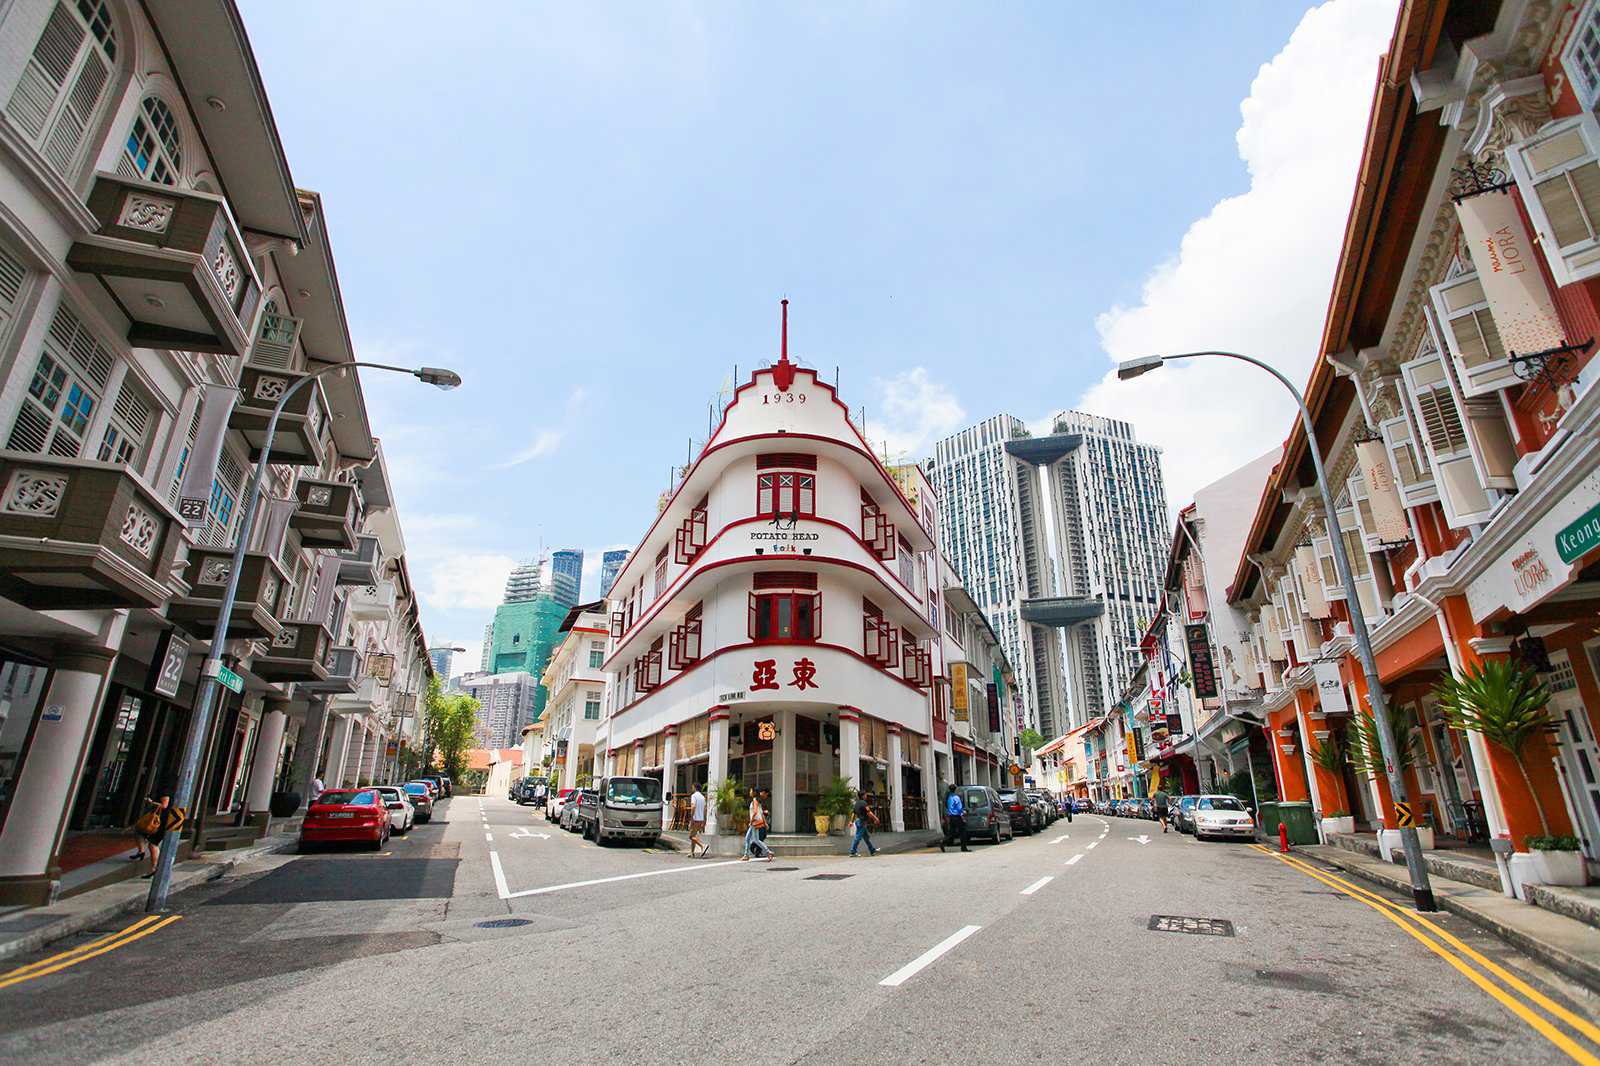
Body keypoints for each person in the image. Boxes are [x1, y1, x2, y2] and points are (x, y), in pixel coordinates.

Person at [139, 794, 182, 879]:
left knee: (153, 843)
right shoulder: (175, 792)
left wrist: (151, 802)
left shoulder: (166, 790)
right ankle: (156, 867)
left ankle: (155, 867)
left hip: (165, 820)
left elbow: (164, 805)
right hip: (172, 818)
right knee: (153, 841)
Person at [741, 791, 772, 861]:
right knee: (748, 838)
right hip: (755, 823)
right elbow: (761, 814)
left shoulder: (755, 800)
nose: (750, 792)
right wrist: (765, 824)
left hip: (754, 823)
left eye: (751, 791)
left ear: (754, 793)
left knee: (756, 840)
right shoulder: (758, 801)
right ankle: (746, 855)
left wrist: (751, 821)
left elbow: (755, 812)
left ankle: (768, 852)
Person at [940, 784, 970, 853]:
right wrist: (963, 813)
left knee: (951, 833)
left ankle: (943, 842)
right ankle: (963, 848)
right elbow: (959, 808)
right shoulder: (956, 797)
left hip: (951, 817)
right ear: (955, 790)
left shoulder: (949, 798)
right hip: (957, 816)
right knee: (963, 832)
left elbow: (948, 807)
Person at [850, 791, 879, 857]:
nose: (866, 796)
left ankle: (872, 850)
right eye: (865, 795)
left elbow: (853, 813)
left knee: (866, 837)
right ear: (863, 796)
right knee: (858, 837)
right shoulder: (864, 803)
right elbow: (869, 812)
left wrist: (851, 821)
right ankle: (853, 851)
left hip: (858, 821)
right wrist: (876, 818)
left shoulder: (856, 803)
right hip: (862, 822)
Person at [688, 784, 708, 858]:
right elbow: (705, 809)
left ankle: (702, 845)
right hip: (701, 819)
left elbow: (693, 806)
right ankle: (692, 852)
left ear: (695, 788)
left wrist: (691, 817)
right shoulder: (703, 797)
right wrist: (704, 820)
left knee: (691, 836)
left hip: (695, 818)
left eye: (692, 787)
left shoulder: (694, 796)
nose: (692, 788)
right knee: (694, 835)